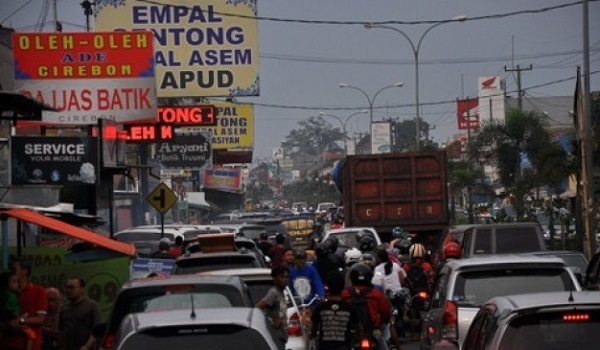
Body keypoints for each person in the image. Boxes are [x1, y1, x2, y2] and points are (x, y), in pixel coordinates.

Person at [341, 263, 392, 350]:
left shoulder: (345, 294)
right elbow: (386, 312)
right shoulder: (376, 294)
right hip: (373, 331)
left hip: (352, 331)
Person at [310, 270, 358, 350]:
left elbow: (313, 330)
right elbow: (359, 328)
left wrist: (312, 335)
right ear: (343, 287)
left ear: (327, 287)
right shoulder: (350, 308)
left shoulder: (320, 307)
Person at [11, 257, 47, 350]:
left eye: (14, 269)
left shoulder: (38, 291)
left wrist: (21, 321)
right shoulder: (7, 293)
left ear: (25, 271)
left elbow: (40, 319)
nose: (11, 273)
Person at [59, 278, 102, 350]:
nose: (69, 290)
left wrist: (87, 346)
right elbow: (61, 330)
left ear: (82, 289)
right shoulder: (64, 309)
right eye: (67, 288)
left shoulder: (92, 306)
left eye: (72, 287)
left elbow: (97, 331)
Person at [256, 265, 290, 350]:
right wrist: (271, 321)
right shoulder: (273, 293)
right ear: (275, 278)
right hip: (275, 334)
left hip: (282, 334)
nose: (285, 280)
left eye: (286, 277)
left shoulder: (281, 292)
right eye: (281, 277)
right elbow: (257, 308)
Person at [0, 270, 36, 350]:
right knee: (31, 334)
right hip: (12, 321)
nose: (17, 285)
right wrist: (21, 318)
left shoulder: (3, 295)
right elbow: (14, 312)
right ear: (6, 284)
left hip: (5, 323)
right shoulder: (12, 297)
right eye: (14, 282)